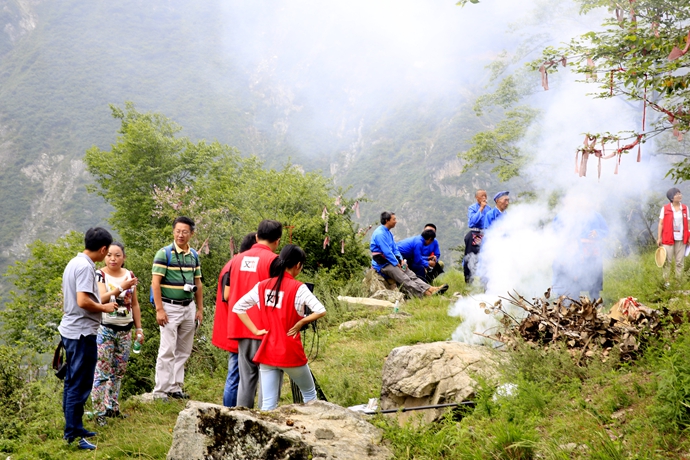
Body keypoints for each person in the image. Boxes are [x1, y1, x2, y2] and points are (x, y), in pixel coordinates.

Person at [232, 245, 326, 410]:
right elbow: (320, 310)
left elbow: (238, 307)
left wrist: (255, 331)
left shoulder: (262, 286)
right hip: (289, 351)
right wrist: (301, 322)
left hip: (268, 350)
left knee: (268, 405)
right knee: (310, 395)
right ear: (298, 265)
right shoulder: (299, 288)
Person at [59, 227, 117, 450]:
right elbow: (83, 301)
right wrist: (104, 306)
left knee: (72, 381)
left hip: (72, 330)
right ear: (103, 249)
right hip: (82, 333)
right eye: (107, 251)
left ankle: (73, 428)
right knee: (80, 384)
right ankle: (74, 434)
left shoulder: (75, 262)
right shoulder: (85, 267)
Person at [228, 220, 282, 408]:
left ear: (257, 237)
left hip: (242, 326)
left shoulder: (236, 260)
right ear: (277, 241)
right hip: (266, 329)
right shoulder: (274, 261)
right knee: (269, 378)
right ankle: (264, 421)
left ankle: (242, 420)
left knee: (246, 380)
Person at [151, 216, 203, 401]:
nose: (181, 235)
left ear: (191, 233)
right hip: (169, 307)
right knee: (167, 349)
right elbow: (155, 283)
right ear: (173, 231)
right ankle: (160, 391)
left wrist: (199, 309)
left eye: (185, 232)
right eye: (178, 231)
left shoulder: (194, 255)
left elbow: (198, 283)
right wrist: (159, 309)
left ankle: (175, 387)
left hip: (188, 307)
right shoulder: (164, 254)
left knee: (184, 349)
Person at [92, 242, 142, 427]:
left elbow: (135, 304)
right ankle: (99, 412)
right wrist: (121, 287)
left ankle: (112, 407)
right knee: (102, 372)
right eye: (110, 255)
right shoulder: (100, 274)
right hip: (105, 328)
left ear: (124, 257)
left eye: (117, 255)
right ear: (105, 256)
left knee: (118, 372)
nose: (113, 258)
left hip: (125, 329)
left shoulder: (130, 276)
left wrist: (139, 329)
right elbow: (100, 298)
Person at [211, 232, 256, 407]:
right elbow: (228, 296)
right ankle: (229, 413)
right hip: (238, 328)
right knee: (236, 374)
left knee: (237, 373)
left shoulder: (233, 264)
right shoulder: (236, 266)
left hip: (235, 326)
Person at [370, 212, 447, 298]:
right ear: (387, 220)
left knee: (410, 274)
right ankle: (424, 294)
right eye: (394, 219)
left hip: (394, 260)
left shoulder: (388, 233)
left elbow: (395, 248)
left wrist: (401, 261)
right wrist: (396, 263)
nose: (396, 221)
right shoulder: (380, 234)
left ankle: (430, 288)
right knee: (404, 277)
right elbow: (387, 252)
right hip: (383, 264)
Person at [657, 187, 689, 281]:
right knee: (667, 261)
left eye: (680, 193)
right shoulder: (665, 208)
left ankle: (678, 282)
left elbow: (688, 223)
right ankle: (666, 282)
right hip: (668, 238)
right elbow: (661, 223)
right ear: (671, 197)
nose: (679, 195)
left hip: (681, 238)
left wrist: (688, 237)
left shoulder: (685, 208)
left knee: (680, 261)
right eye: (677, 194)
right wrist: (659, 238)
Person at [464, 190, 492, 284]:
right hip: (474, 233)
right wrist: (481, 208)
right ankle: (468, 280)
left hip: (485, 234)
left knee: (485, 257)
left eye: (485, 196)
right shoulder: (472, 208)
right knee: (469, 257)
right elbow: (472, 222)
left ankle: (485, 281)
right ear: (477, 198)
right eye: (482, 196)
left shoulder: (489, 209)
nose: (484, 198)